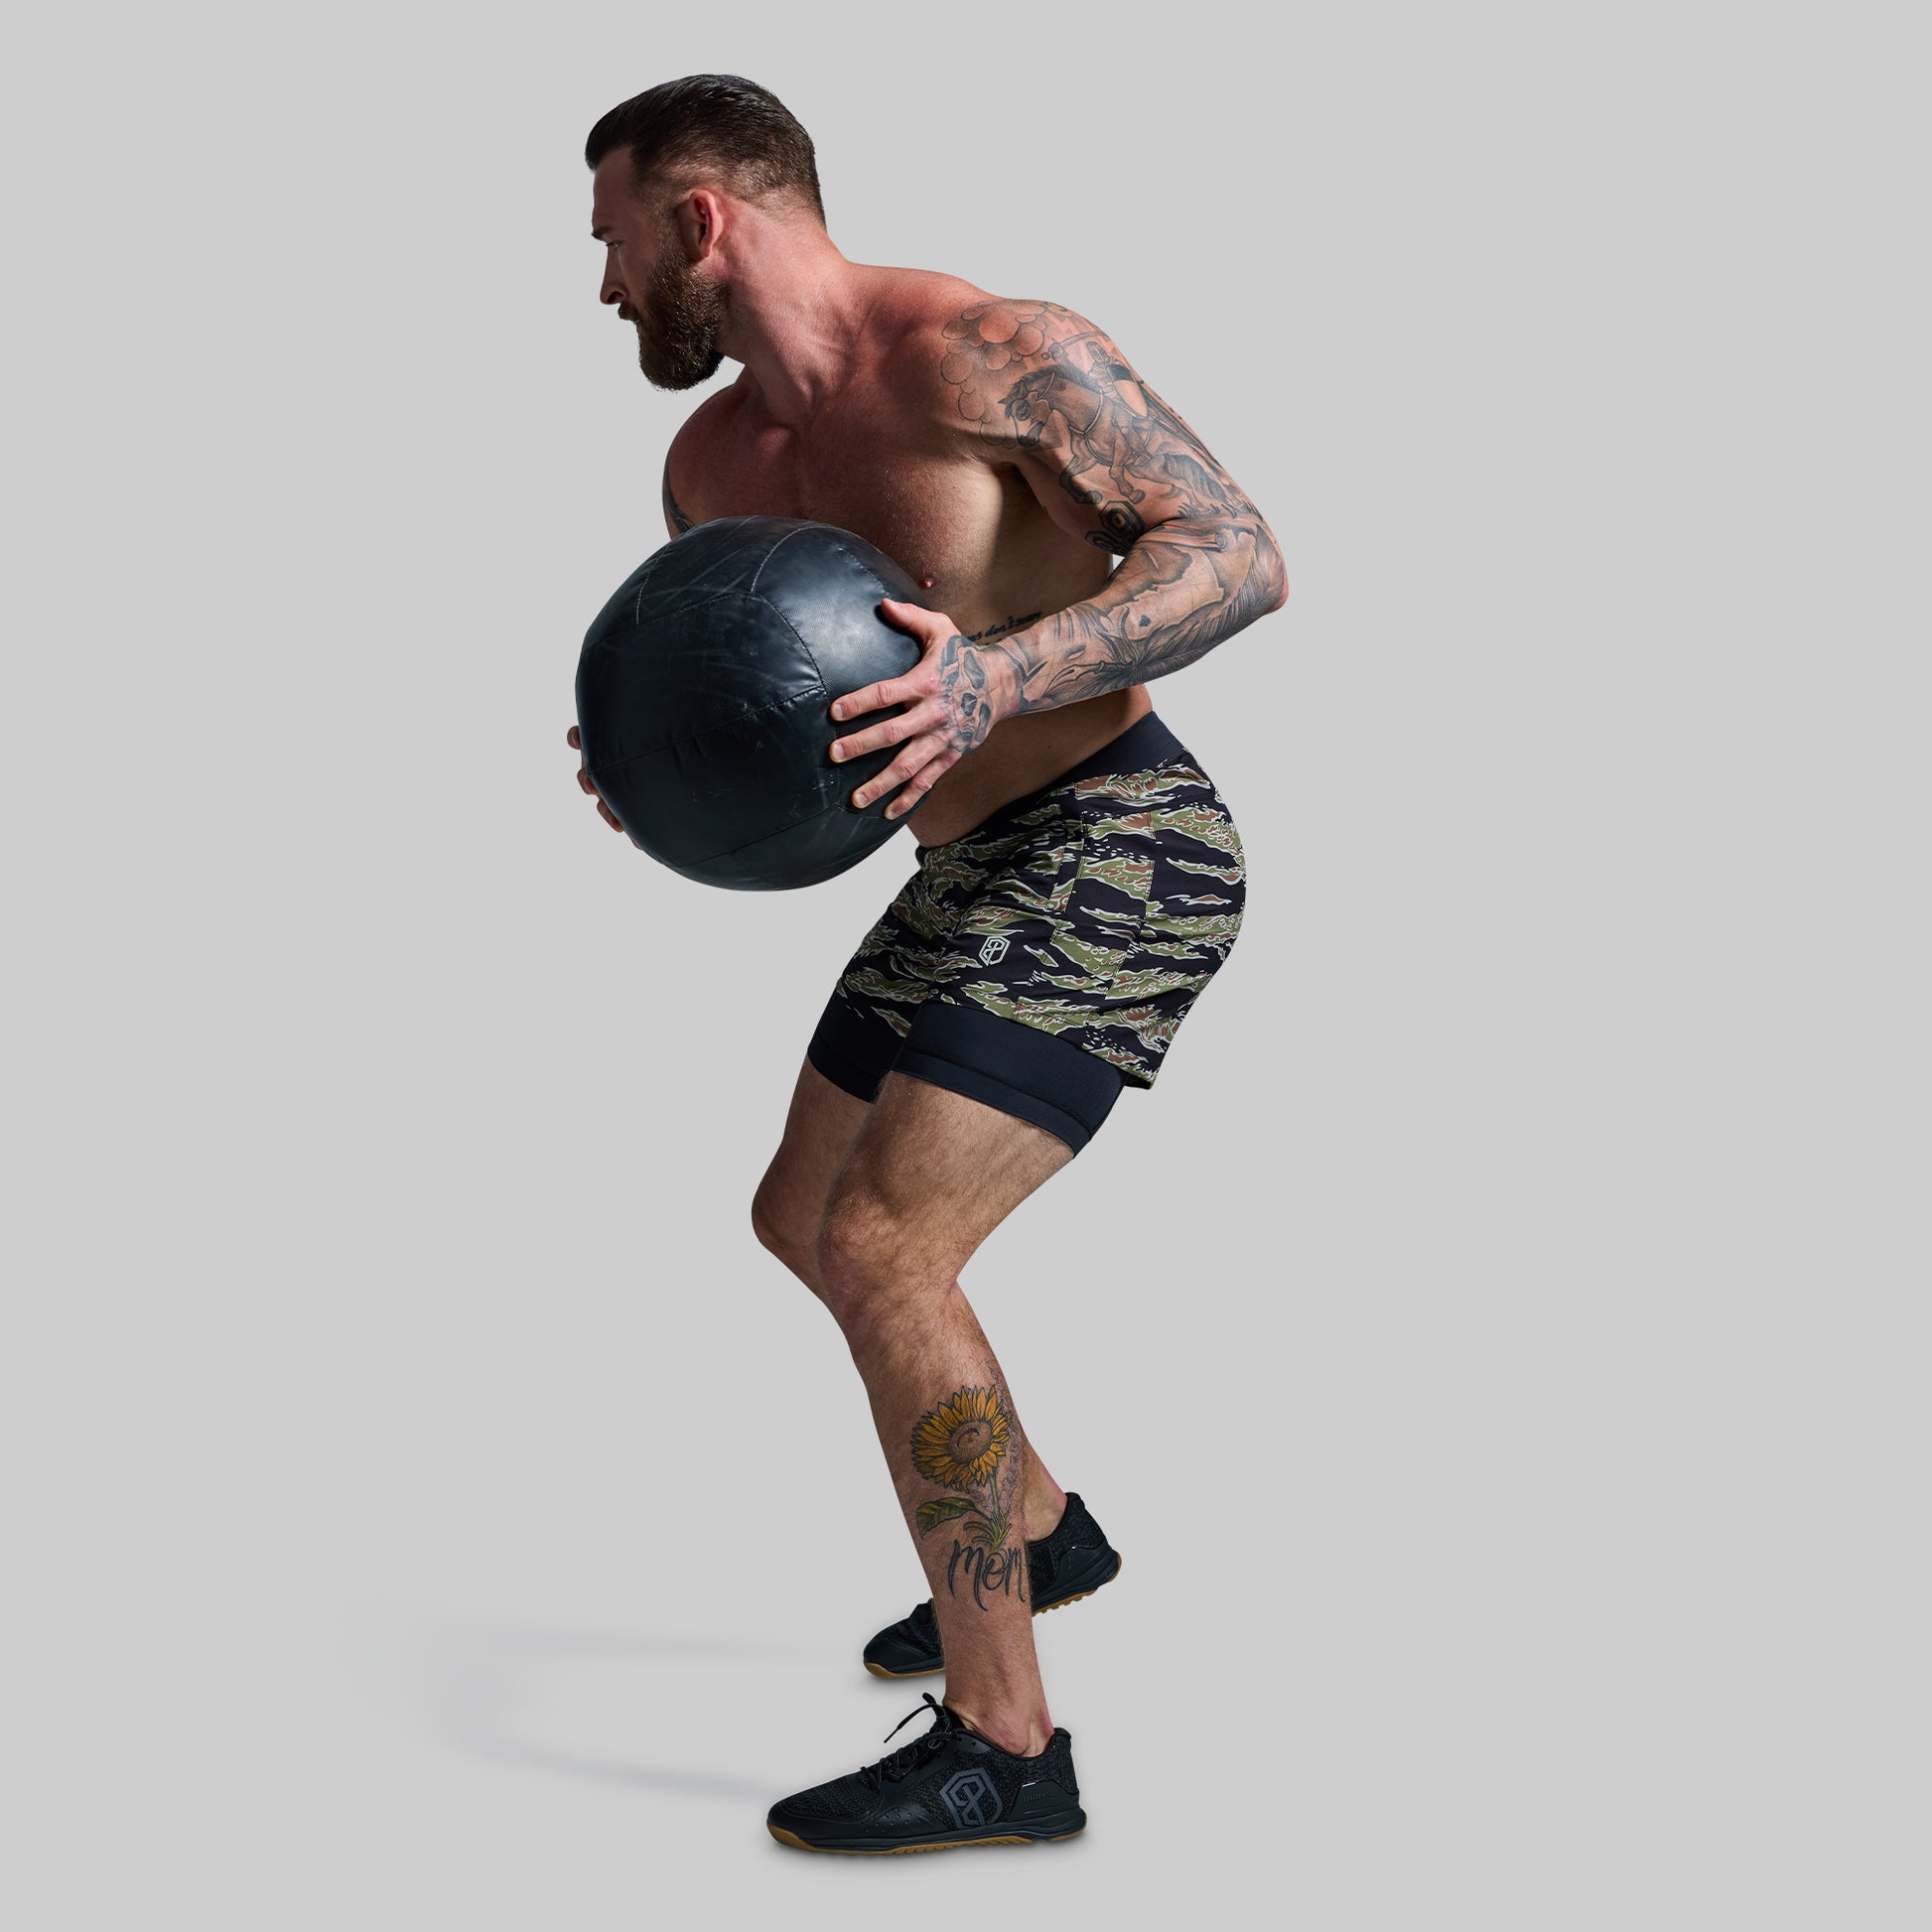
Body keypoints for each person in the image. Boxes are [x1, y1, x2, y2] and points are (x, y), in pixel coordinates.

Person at [569, 74, 1286, 1855]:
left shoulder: (991, 352)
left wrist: (999, 673)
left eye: (614, 239)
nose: (604, 284)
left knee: (887, 1245)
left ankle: (1005, 1741)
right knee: (799, 1211)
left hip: (1125, 841)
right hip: (970, 867)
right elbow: (774, 704)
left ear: (701, 217)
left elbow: (1238, 554)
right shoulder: (711, 467)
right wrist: (663, 762)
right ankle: (1035, 1525)